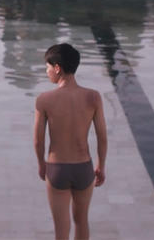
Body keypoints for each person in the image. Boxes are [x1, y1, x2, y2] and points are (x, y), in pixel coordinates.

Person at [34, 43, 107, 240]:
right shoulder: (93, 97)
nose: (47, 71)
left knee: (61, 227)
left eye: (48, 67)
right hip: (83, 167)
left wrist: (41, 164)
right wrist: (101, 165)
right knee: (81, 221)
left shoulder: (45, 99)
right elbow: (102, 136)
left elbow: (38, 141)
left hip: (57, 168)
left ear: (57, 67)